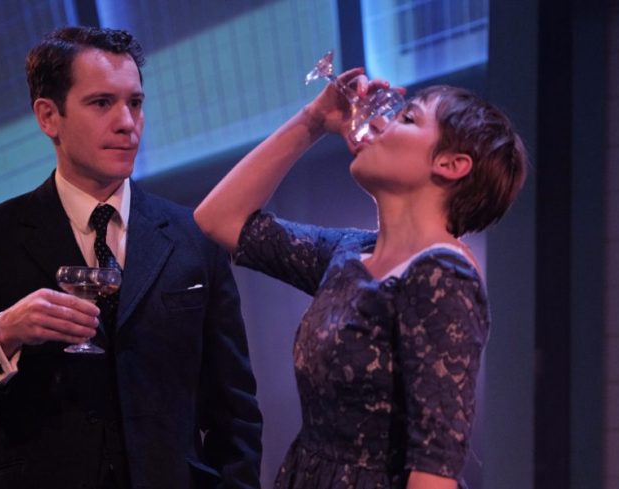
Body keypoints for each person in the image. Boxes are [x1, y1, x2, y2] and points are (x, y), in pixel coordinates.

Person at [0, 26, 262, 489]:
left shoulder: (195, 236)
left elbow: (236, 413)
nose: (127, 123)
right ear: (48, 116)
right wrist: (4, 332)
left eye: (135, 103)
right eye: (102, 103)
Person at [194, 68, 527, 488]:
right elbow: (218, 218)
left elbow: (434, 471)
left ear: (450, 164)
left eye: (407, 118)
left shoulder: (442, 277)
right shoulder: (351, 252)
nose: (378, 122)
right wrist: (313, 121)